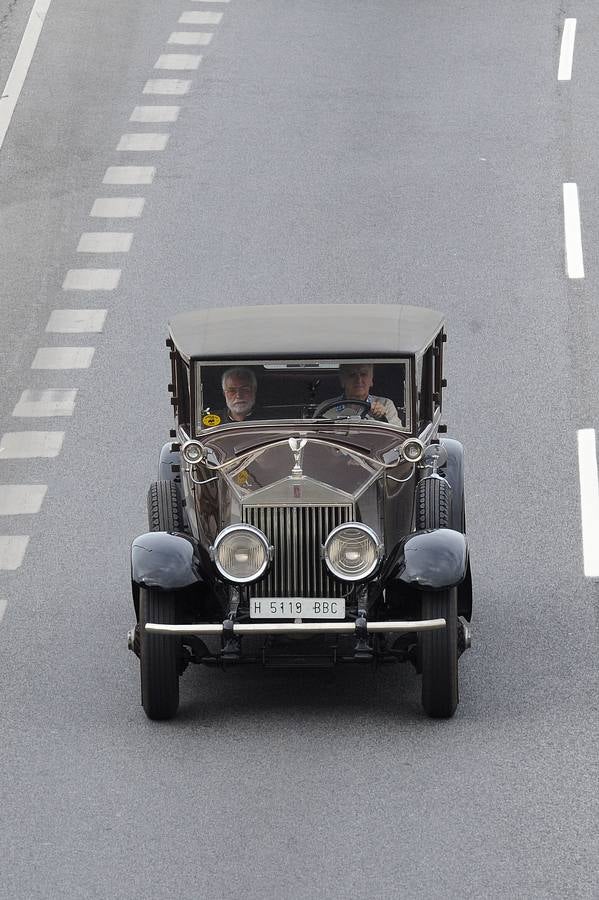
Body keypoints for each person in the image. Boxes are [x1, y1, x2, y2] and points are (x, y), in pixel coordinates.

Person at [325, 363, 401, 425]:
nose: (358, 380)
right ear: (342, 381)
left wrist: (382, 418)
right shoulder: (326, 408)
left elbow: (398, 438)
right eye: (352, 374)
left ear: (371, 380)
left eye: (363, 374)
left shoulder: (386, 405)